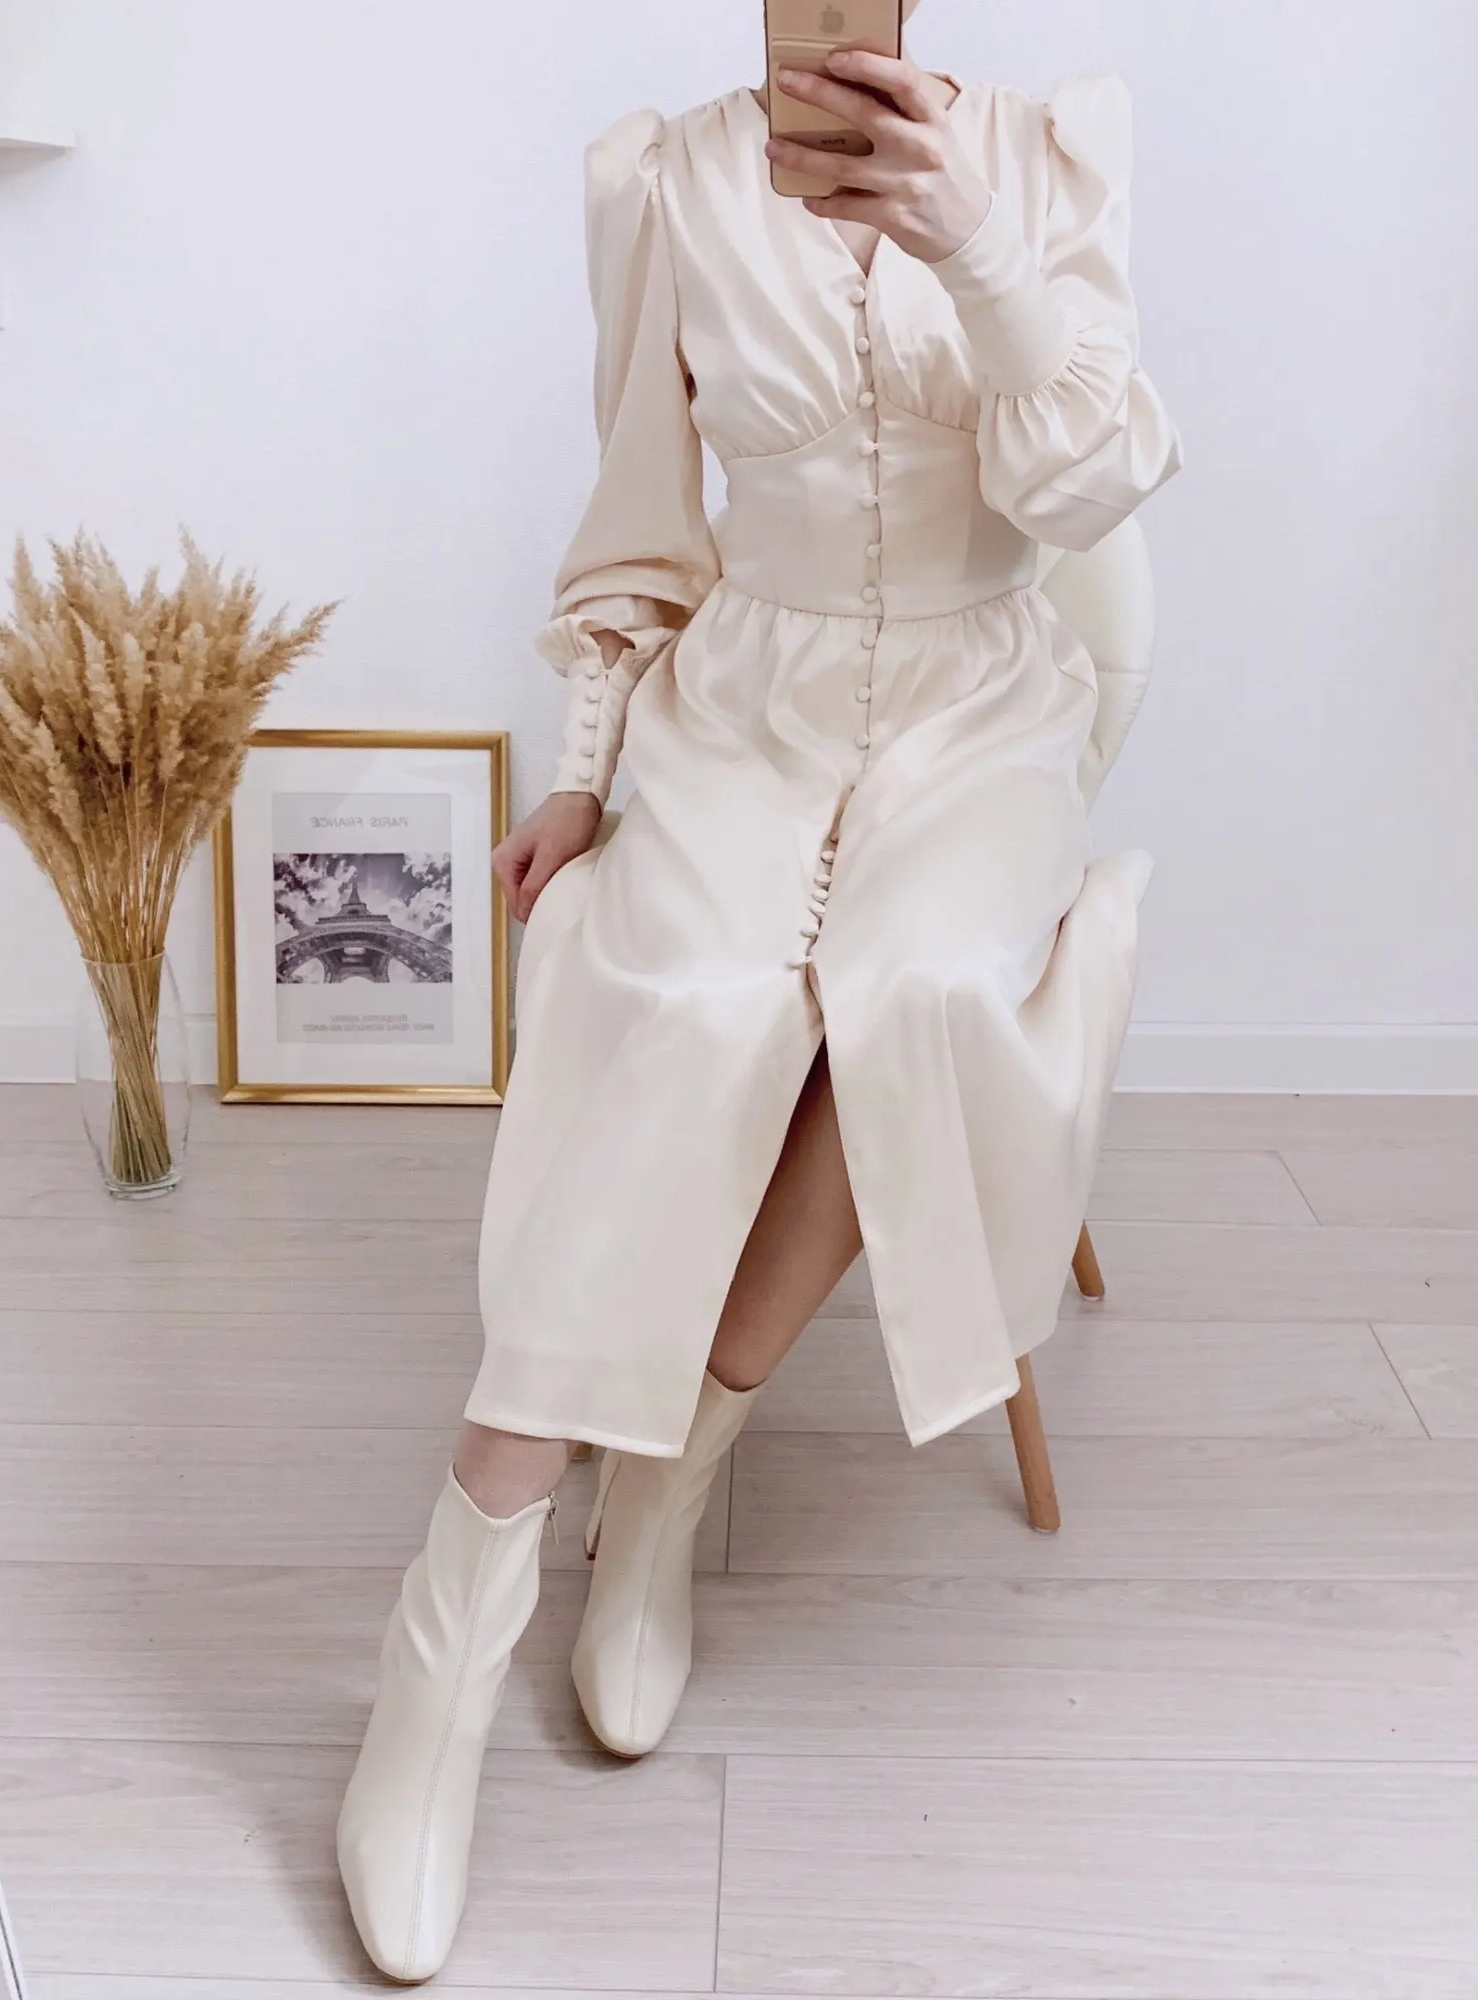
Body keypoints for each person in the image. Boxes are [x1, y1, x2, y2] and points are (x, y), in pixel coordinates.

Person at [338, 1, 1181, 1980]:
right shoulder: (672, 184)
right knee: (677, 995)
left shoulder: (1050, 157)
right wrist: (580, 770)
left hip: (985, 700)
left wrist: (979, 242)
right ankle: (447, 1637)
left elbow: (1094, 487)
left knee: (918, 989)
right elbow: (644, 522)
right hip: (749, 696)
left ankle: (667, 1490)